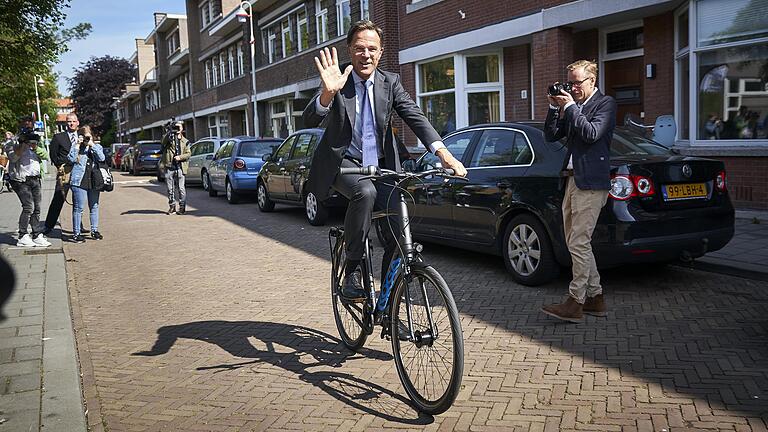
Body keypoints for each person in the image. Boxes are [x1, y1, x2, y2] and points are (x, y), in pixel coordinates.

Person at [302, 20, 467, 302]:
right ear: (349, 50)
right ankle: (352, 269)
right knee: (364, 192)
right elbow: (309, 119)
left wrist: (444, 153)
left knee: (399, 231)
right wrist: (328, 93)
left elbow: (415, 116)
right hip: (346, 164)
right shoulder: (338, 81)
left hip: (381, 165)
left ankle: (389, 306)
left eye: (371, 49)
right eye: (359, 48)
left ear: (380, 53)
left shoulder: (390, 83)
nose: (365, 54)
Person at [541, 59, 617, 323]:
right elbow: (551, 136)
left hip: (592, 183)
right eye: (570, 83)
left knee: (579, 242)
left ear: (592, 81)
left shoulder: (604, 104)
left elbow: (591, 133)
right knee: (577, 243)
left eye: (577, 83)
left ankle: (575, 302)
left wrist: (571, 107)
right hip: (572, 181)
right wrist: (554, 107)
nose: (572, 88)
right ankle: (596, 298)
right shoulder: (577, 107)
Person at [42, 113, 86, 235]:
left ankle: (79, 226)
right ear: (66, 123)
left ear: (78, 123)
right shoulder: (58, 137)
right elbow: (53, 155)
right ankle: (48, 225)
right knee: (58, 198)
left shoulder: (82, 137)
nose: (71, 123)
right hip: (65, 172)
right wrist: (60, 166)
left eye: (73, 121)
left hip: (79, 172)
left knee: (78, 200)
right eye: (69, 121)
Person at [7, 131, 51, 247]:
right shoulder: (11, 143)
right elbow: (13, 158)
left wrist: (35, 147)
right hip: (21, 180)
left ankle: (36, 235)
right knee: (28, 207)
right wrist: (22, 145)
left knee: (37, 208)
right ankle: (23, 236)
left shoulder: (36, 143)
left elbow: (46, 156)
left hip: (35, 179)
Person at [67, 125, 105, 243]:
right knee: (79, 208)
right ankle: (76, 233)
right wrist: (78, 145)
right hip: (79, 181)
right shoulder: (76, 147)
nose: (86, 139)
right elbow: (71, 159)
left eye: (89, 136)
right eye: (85, 136)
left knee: (94, 206)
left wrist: (92, 145)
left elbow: (102, 158)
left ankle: (94, 230)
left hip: (94, 181)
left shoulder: (96, 146)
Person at [159, 121, 191, 215]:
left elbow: (188, 154)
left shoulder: (185, 141)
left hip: (180, 167)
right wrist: (169, 131)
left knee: (181, 188)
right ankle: (172, 206)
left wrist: (180, 157)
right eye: (175, 127)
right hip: (169, 166)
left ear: (182, 129)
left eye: (179, 127)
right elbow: (163, 142)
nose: (177, 129)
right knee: (170, 188)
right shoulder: (169, 138)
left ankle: (182, 207)